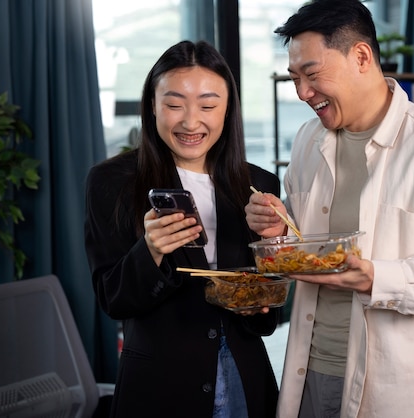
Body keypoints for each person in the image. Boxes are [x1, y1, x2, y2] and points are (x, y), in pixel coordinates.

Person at [244, 1, 414, 417]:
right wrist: (276, 225)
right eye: (295, 78)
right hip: (309, 368)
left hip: (395, 387)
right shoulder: (307, 140)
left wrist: (378, 279)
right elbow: (304, 237)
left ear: (362, 57)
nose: (302, 92)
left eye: (312, 75)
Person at [84, 40, 280, 418]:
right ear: (152, 107)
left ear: (228, 110)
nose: (191, 122)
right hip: (159, 386)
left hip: (244, 377)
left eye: (208, 106)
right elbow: (112, 300)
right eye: (174, 105)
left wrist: (273, 248)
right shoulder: (112, 181)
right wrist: (151, 251)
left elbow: (268, 316)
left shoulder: (258, 184)